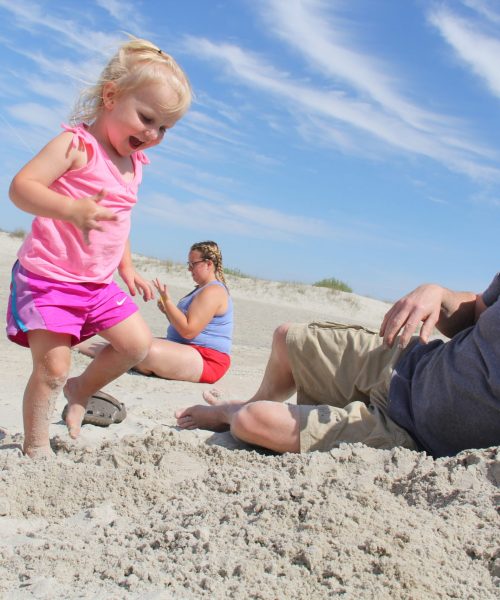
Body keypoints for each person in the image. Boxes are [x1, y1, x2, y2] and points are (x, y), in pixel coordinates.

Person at [6, 36, 192, 457]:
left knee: (136, 345)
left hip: (96, 282)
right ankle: (35, 449)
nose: (154, 134)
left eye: (164, 128)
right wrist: (69, 209)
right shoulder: (77, 146)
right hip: (49, 277)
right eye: (146, 118)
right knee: (51, 368)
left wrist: (127, 268)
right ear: (111, 96)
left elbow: (118, 222)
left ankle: (81, 390)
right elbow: (21, 188)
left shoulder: (134, 165)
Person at [175, 279, 500, 458]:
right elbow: (475, 313)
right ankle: (254, 400)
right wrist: (439, 294)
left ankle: (232, 412)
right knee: (286, 338)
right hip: (410, 361)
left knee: (250, 421)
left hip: (409, 430)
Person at [79, 240, 233, 384]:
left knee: (143, 351)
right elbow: (183, 325)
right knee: (133, 343)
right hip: (185, 348)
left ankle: (86, 347)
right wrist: (168, 312)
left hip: (207, 358)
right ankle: (78, 344)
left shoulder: (213, 291)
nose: (189, 269)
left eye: (193, 264)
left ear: (208, 264)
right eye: (189, 264)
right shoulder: (201, 290)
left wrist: (168, 302)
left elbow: (188, 331)